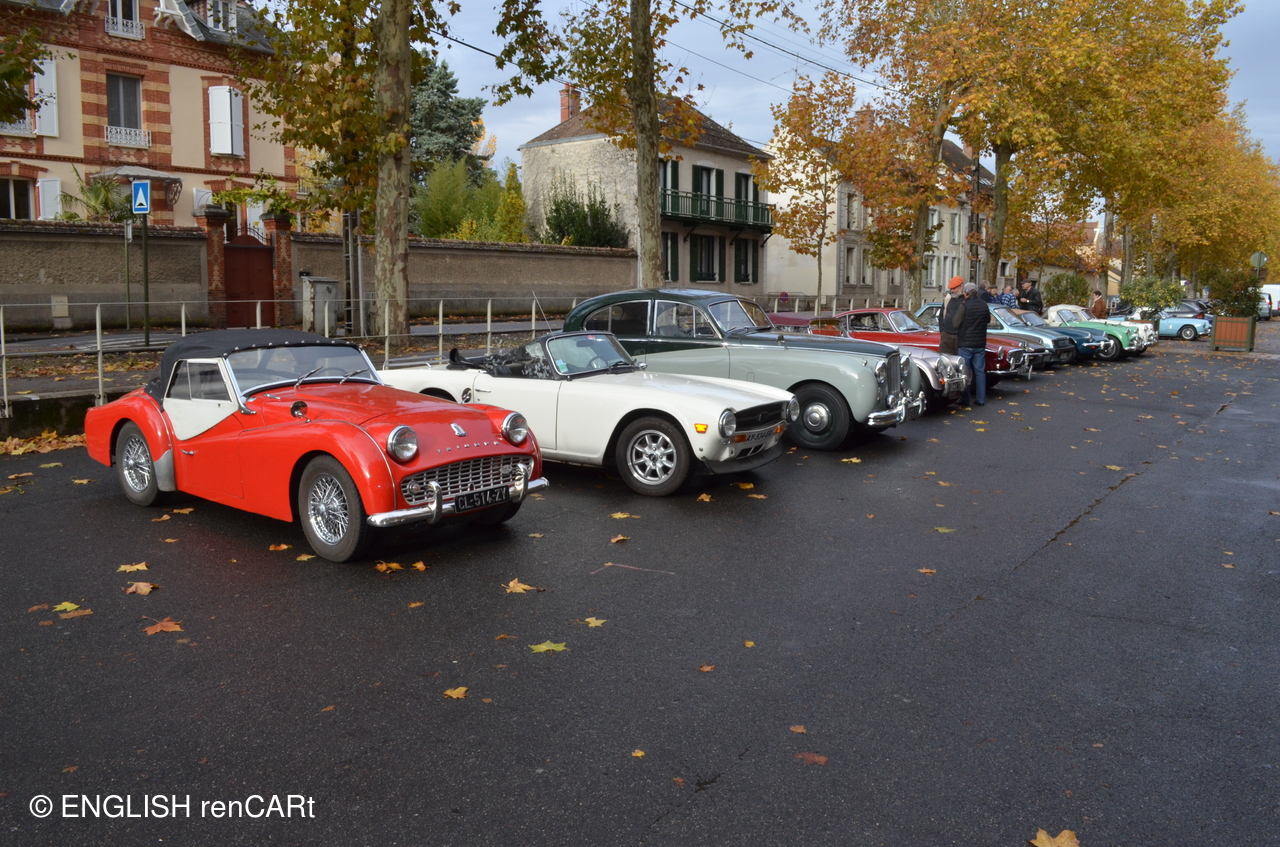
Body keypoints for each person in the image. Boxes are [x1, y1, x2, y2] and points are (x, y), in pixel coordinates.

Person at [957, 282, 989, 407]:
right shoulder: (984, 304)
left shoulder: (964, 305)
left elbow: (955, 323)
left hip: (965, 342)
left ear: (966, 293)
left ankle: (965, 399)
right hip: (980, 342)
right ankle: (981, 399)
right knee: (980, 372)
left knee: (965, 371)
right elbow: (987, 320)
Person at [940, 276, 964, 354]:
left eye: (954, 288)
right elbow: (941, 314)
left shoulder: (966, 299)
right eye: (951, 289)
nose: (952, 291)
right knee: (945, 357)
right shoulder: (948, 298)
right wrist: (942, 329)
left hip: (960, 335)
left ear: (961, 287)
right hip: (946, 334)